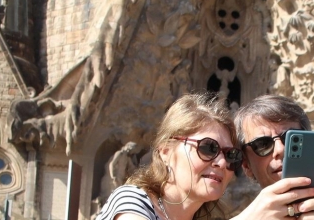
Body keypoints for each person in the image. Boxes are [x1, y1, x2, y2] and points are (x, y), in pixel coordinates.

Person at [96, 92, 243, 219]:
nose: (222, 162)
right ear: (166, 151)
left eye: (231, 155)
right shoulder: (132, 201)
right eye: (208, 148)